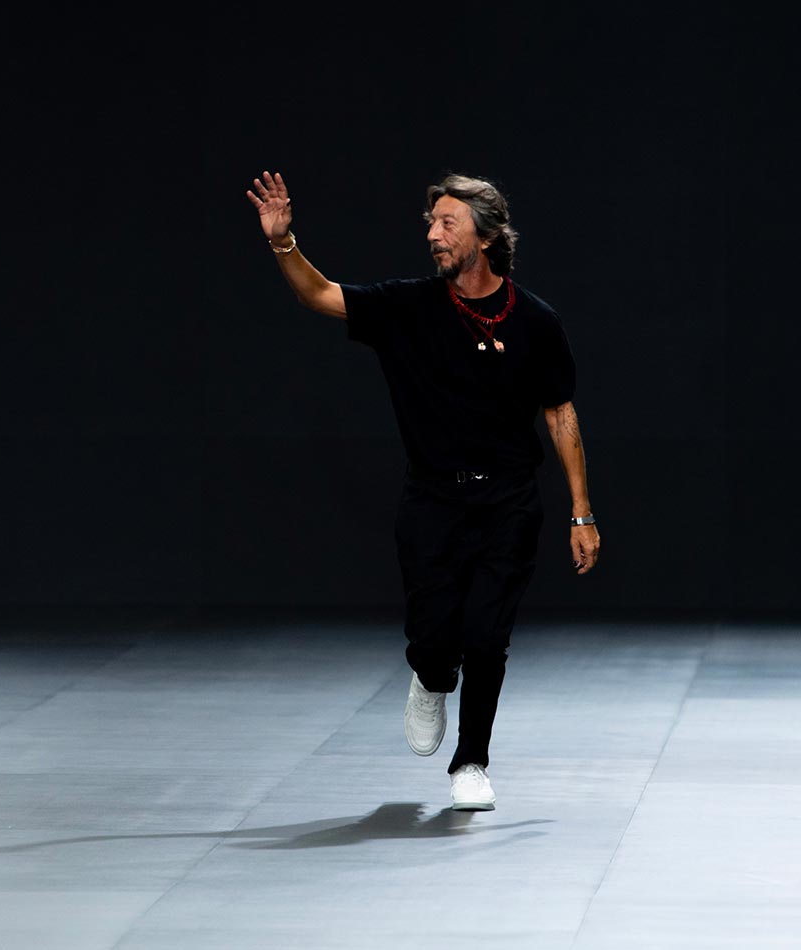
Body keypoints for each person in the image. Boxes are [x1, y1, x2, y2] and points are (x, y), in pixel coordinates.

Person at [245, 170, 600, 810]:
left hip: (510, 501)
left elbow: (560, 414)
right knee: (435, 637)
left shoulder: (537, 322)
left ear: (487, 236)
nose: (433, 234)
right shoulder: (407, 308)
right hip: (433, 500)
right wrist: (282, 242)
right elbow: (321, 295)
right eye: (431, 223)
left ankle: (471, 763)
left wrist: (582, 511)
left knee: (488, 636)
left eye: (447, 224)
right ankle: (431, 678)